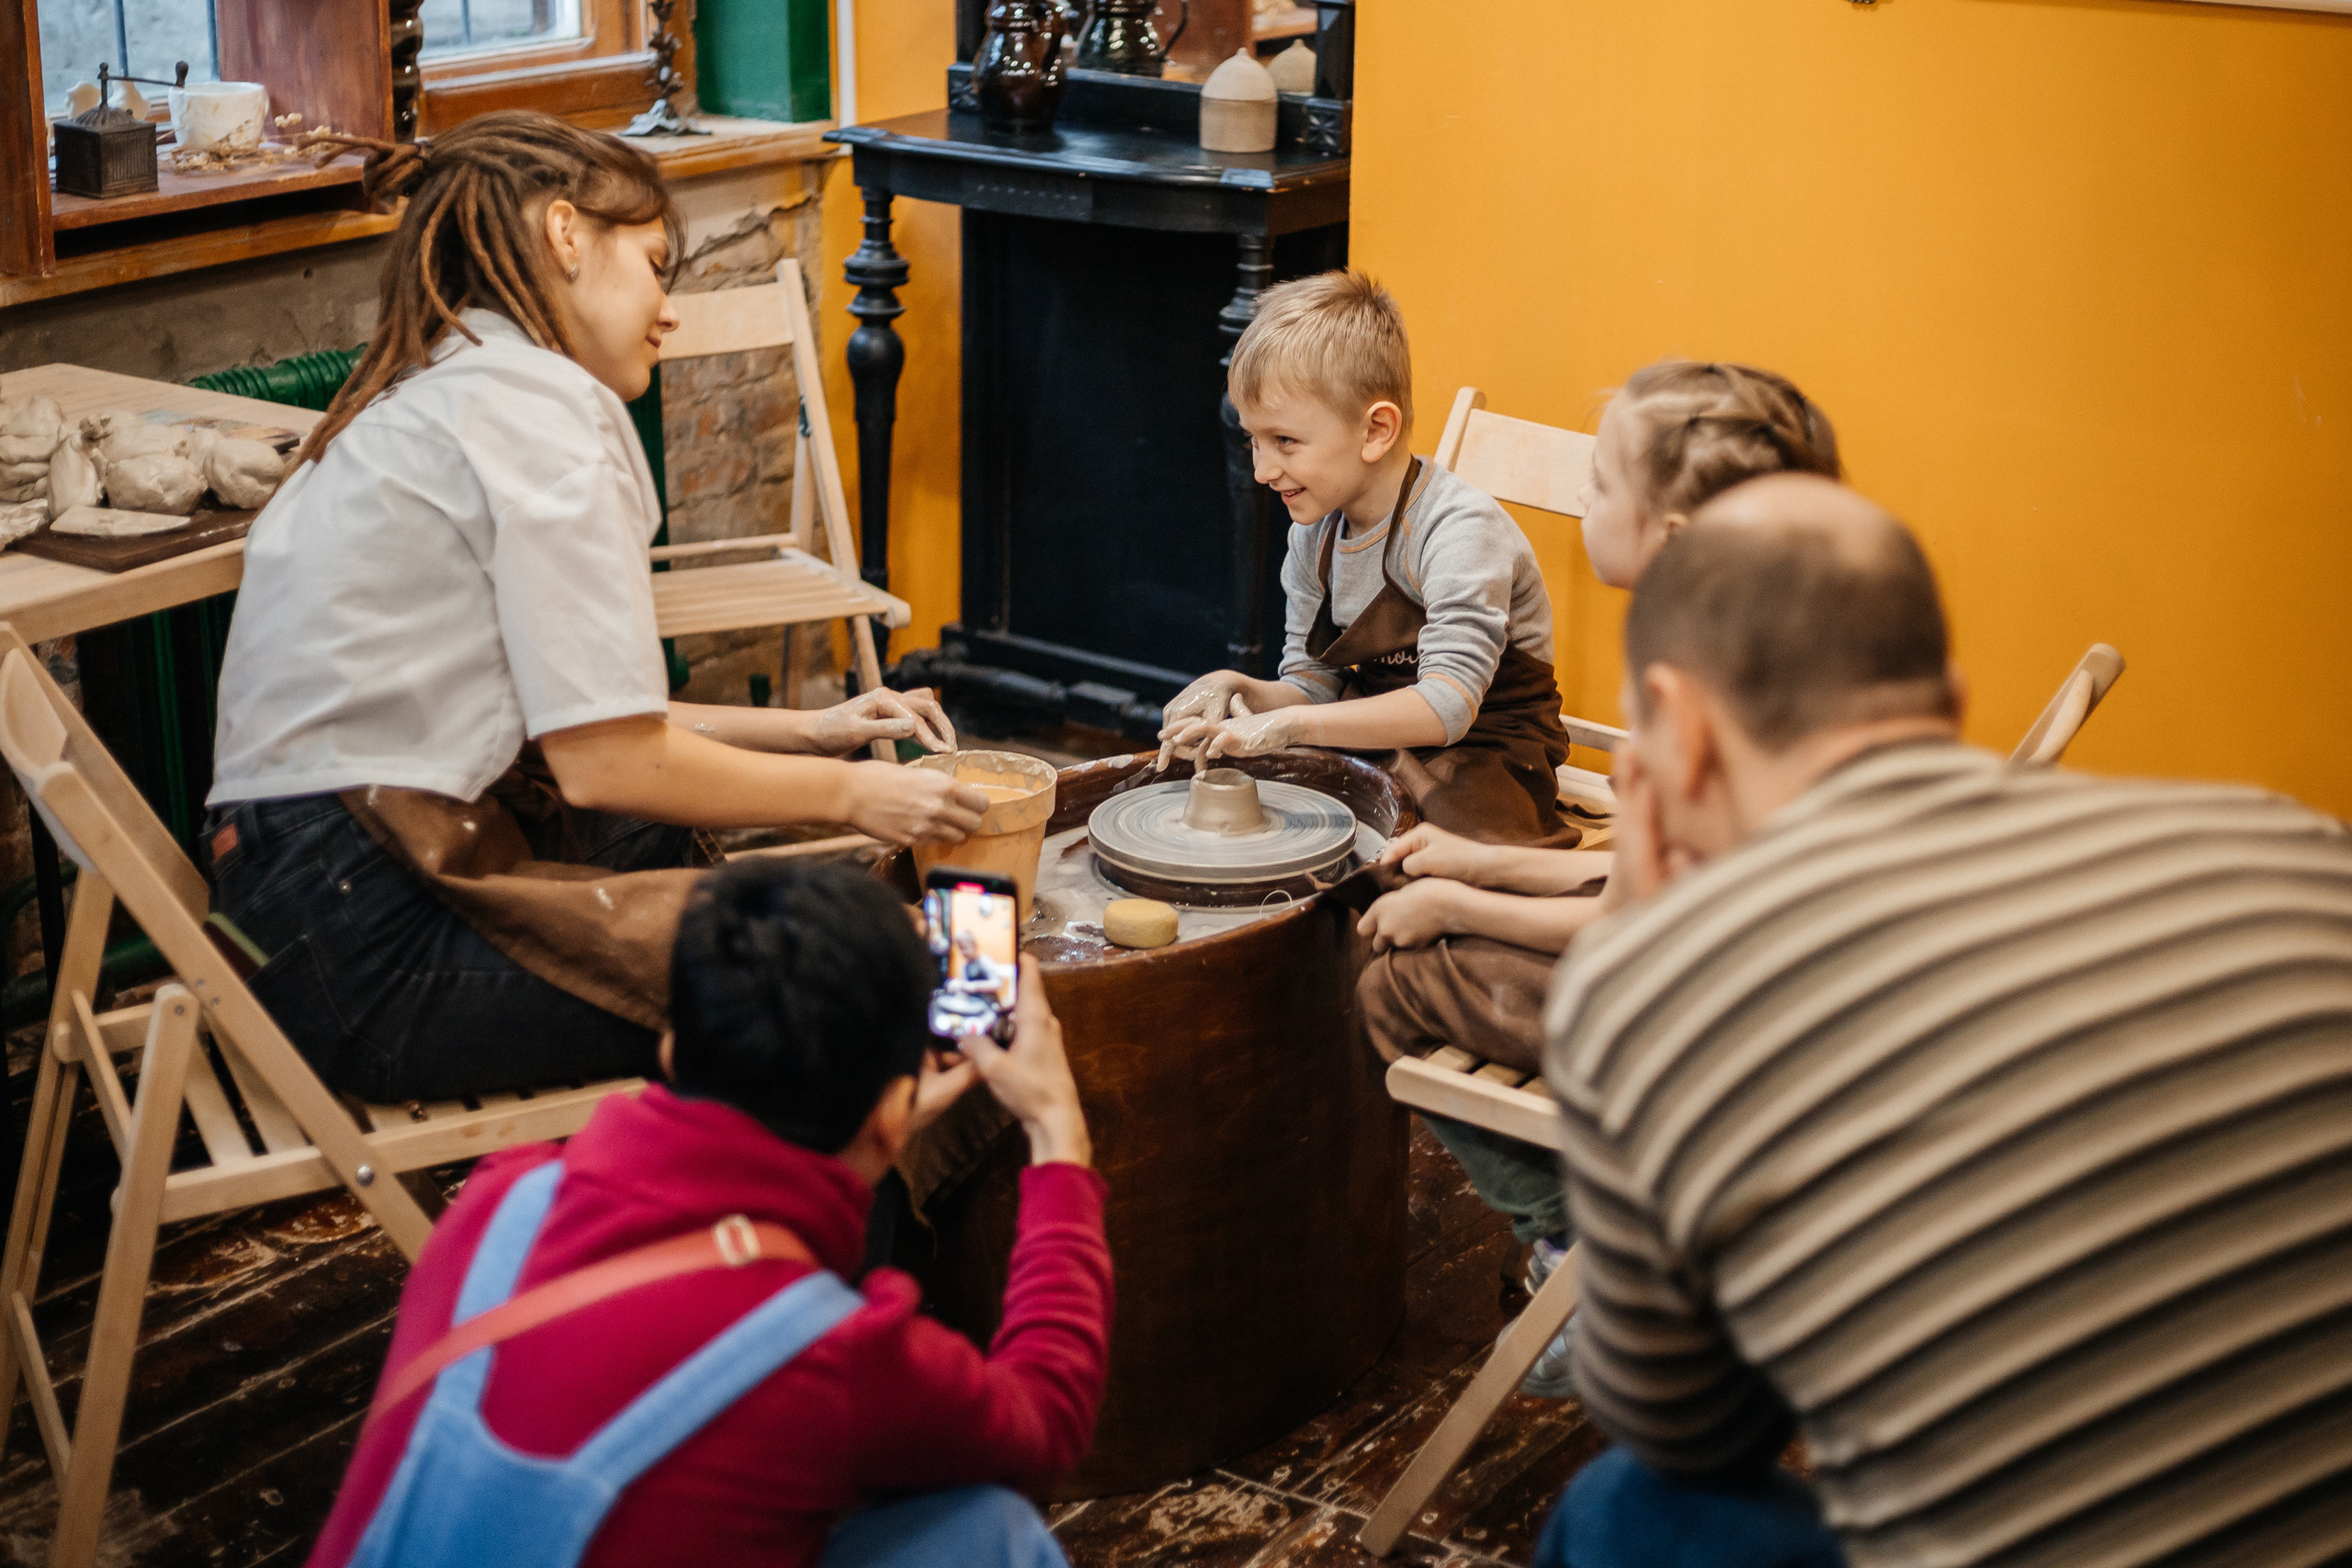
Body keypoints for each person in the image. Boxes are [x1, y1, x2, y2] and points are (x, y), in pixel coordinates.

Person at [1533, 474, 2352, 1568]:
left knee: (1620, 1511)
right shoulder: (2292, 844)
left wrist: (1630, 939)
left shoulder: (1653, 987)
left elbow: (1689, 1431)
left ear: (1676, 732)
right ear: (1950, 700)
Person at [202, 113, 989, 1105]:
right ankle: (965, 1143)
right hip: (364, 944)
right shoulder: (542, 408)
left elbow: (585, 723)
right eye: (658, 265)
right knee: (862, 973)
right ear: (566, 235)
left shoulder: (444, 383)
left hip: (288, 906)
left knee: (686, 853)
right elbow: (608, 762)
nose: (669, 311)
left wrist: (814, 730)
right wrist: (856, 795)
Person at [308, 859, 1111, 1568]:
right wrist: (1056, 1131)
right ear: (890, 1114)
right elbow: (1042, 1423)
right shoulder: (835, 1358)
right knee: (990, 1530)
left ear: (668, 1049)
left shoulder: (498, 1199)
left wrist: (869, 1133)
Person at [1351, 362, 1840, 1390]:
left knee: (1395, 979)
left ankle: (1577, 1246)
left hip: (1703, 1047)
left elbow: (1629, 929)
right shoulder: (1784, 654)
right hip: (1786, 1008)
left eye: (1604, 483)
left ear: (1668, 540)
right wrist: (1483, 860)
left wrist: (1452, 899)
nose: (1584, 499)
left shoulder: (1682, 700)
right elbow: (1672, 884)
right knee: (1452, 906)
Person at [1154, 270, 1573, 846]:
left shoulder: (1458, 529)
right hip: (1380, 733)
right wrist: (1238, 690)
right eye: (1253, 440)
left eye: (1285, 442)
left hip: (1490, 746)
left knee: (1434, 857)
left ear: (1376, 430)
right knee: (1270, 810)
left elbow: (1449, 707)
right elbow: (1313, 687)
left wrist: (1293, 725)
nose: (1261, 470)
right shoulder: (1313, 534)